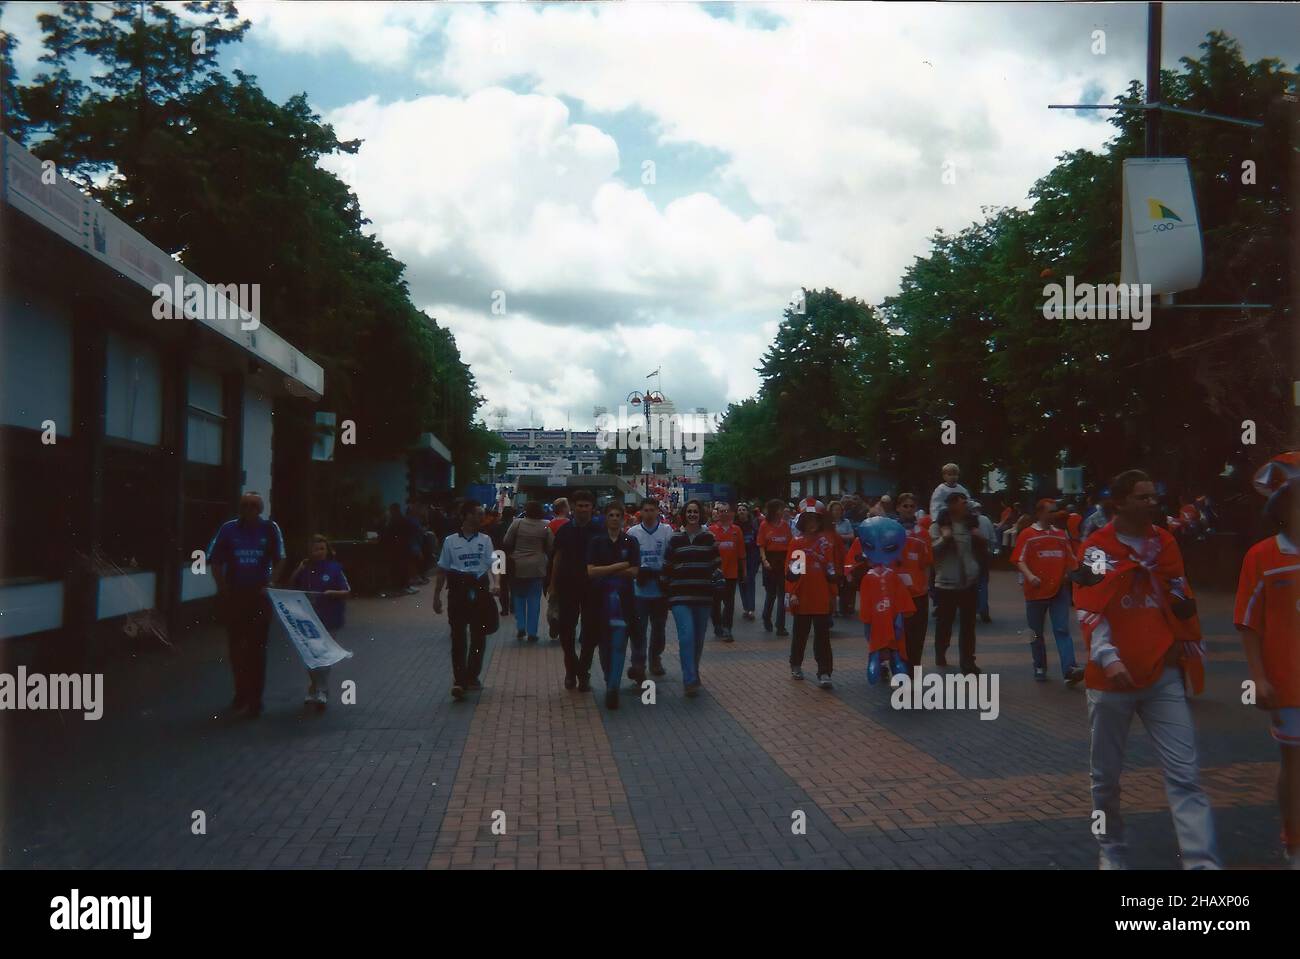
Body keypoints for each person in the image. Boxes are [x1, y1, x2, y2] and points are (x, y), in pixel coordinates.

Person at [1073, 469, 1218, 870]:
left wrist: (1181, 644)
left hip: (1162, 677)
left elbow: (1178, 593)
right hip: (1111, 682)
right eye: (1143, 497)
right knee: (1105, 780)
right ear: (1118, 502)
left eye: (1154, 496)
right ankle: (1112, 849)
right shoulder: (1097, 549)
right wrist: (1109, 658)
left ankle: (1201, 862)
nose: (1152, 503)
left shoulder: (1164, 543)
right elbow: (1090, 605)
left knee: (1185, 775)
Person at [1234, 457, 1300, 868]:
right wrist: (1258, 678)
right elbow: (1247, 624)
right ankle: (1294, 844)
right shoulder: (1262, 557)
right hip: (1289, 684)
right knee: (1295, 766)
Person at [207, 491, 287, 719]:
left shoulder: (270, 529)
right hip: (235, 595)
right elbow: (215, 560)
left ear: (260, 508)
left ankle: (255, 699)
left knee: (257, 649)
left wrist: (271, 582)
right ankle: (240, 693)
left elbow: (281, 557)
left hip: (259, 596)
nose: (249, 509)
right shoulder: (228, 529)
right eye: (244, 505)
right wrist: (223, 588)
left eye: (253, 505)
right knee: (236, 648)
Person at [432, 500, 499, 701]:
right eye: (478, 514)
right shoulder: (450, 541)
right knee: (458, 636)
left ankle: (472, 675)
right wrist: (436, 596)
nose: (481, 517)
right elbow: (443, 569)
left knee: (479, 635)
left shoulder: (485, 540)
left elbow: (493, 563)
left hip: (479, 588)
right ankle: (459, 680)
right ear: (466, 516)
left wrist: (497, 583)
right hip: (458, 590)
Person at [1011, 500, 1084, 685]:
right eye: (1051, 511)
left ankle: (1069, 669)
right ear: (1040, 513)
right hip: (1035, 592)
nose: (1054, 514)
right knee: (1035, 632)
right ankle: (1039, 666)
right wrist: (1030, 576)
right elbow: (1019, 559)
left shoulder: (1060, 535)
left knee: (1062, 629)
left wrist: (1074, 574)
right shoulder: (1027, 534)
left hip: (1058, 590)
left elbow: (1071, 559)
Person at [585, 501, 640, 709]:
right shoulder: (597, 542)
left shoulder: (630, 541)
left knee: (618, 644)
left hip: (624, 601)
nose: (615, 518)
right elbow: (590, 571)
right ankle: (610, 678)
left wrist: (605, 569)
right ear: (605, 518)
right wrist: (620, 566)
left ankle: (613, 688)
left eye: (618, 515)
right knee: (604, 646)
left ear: (623, 518)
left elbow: (635, 572)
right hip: (599, 601)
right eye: (611, 515)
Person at [663, 500, 720, 697]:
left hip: (703, 595)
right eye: (689, 511)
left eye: (696, 511)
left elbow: (715, 564)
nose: (693, 514)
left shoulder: (708, 538)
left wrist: (719, 581)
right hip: (680, 595)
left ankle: (693, 671)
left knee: (698, 639)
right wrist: (666, 593)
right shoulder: (675, 539)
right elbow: (667, 566)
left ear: (700, 515)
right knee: (686, 637)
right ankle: (689, 678)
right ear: (684, 514)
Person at [289, 534, 352, 709]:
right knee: (311, 655)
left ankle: (321, 690)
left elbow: (347, 591)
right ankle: (314, 686)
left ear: (327, 550)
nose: (318, 552)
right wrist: (299, 569)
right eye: (315, 549)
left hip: (330, 618)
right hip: (309, 620)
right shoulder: (305, 569)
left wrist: (332, 593)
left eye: (322, 549)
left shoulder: (335, 568)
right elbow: (291, 585)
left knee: (324, 655)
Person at [551, 489, 603, 690]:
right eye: (579, 505)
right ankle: (572, 669)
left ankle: (584, 670)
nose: (582, 509)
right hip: (567, 586)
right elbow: (557, 558)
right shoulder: (565, 530)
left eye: (586, 505)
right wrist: (553, 586)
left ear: (592, 508)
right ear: (572, 507)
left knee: (591, 632)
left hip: (593, 587)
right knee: (566, 632)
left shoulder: (600, 530)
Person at [930, 490, 982, 674]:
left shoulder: (969, 525)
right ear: (952, 505)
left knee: (968, 625)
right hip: (946, 583)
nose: (966, 506)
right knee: (945, 622)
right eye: (962, 503)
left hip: (967, 583)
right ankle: (941, 650)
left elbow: (976, 550)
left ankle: (968, 661)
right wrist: (944, 539)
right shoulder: (938, 526)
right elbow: (931, 552)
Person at [785, 499, 836, 688]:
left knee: (823, 636)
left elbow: (830, 571)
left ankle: (824, 671)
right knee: (800, 634)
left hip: (821, 596)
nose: (812, 523)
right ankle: (796, 664)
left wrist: (833, 594)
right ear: (803, 522)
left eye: (816, 519)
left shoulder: (825, 543)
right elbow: (793, 573)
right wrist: (793, 593)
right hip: (803, 596)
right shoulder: (797, 543)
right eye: (809, 519)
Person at [627, 497, 674, 681]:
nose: (648, 513)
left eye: (652, 510)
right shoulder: (633, 532)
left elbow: (671, 556)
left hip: (660, 588)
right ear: (641, 512)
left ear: (657, 512)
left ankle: (655, 658)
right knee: (638, 629)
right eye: (645, 510)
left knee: (659, 629)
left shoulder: (666, 531)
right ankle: (638, 662)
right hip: (639, 589)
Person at [504, 500, 553, 643]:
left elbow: (507, 541)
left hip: (518, 565)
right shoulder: (545, 525)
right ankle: (532, 631)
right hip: (537, 567)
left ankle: (521, 626)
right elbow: (551, 546)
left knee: (518, 597)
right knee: (534, 599)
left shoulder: (517, 523)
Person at [894, 493, 933, 668]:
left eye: (912, 506)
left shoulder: (923, 533)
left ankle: (913, 673)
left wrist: (926, 586)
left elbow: (927, 564)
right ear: (898, 508)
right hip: (896, 593)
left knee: (916, 637)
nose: (909, 509)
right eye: (905, 506)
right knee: (897, 634)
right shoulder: (890, 530)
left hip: (918, 593)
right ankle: (898, 671)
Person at [708, 502, 745, 642]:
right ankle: (717, 624)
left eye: (726, 511)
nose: (723, 513)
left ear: (730, 513)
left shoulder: (737, 530)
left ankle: (727, 628)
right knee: (715, 602)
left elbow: (741, 553)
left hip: (731, 573)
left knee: (729, 603)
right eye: (721, 511)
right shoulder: (711, 530)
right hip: (715, 574)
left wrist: (743, 571)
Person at [758, 498, 792, 636]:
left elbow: (790, 543)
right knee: (771, 594)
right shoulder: (764, 525)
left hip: (783, 560)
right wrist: (764, 560)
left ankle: (781, 626)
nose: (782, 511)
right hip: (770, 560)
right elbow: (761, 545)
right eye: (779, 508)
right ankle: (766, 617)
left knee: (783, 595)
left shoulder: (785, 525)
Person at [971, 500, 997, 624]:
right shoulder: (986, 520)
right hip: (984, 555)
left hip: (970, 556)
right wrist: (990, 552)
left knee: (971, 584)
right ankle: (983, 610)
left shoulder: (966, 520)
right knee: (983, 583)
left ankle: (973, 609)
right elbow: (993, 538)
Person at [735, 502, 761, 622]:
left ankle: (751, 609)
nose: (741, 512)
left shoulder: (754, 525)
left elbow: (758, 541)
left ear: (747, 512)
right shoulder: (734, 526)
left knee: (750, 581)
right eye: (739, 510)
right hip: (738, 558)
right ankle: (746, 607)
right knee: (741, 582)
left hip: (751, 557)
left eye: (743, 510)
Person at [830, 500, 856, 617]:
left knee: (845, 580)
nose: (837, 512)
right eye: (835, 509)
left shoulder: (846, 522)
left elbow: (851, 535)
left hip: (845, 555)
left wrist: (839, 537)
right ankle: (833, 608)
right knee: (833, 580)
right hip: (832, 555)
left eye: (839, 510)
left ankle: (845, 606)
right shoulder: (828, 523)